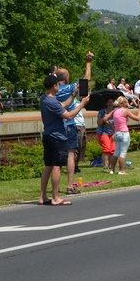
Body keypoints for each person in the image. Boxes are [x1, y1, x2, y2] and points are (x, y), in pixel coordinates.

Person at [40, 73, 91, 203]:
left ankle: (42, 197)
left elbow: (62, 106)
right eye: (58, 84)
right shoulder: (52, 101)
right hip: (57, 137)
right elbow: (68, 116)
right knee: (57, 166)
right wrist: (81, 105)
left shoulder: (44, 99)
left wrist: (73, 95)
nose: (60, 85)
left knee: (48, 166)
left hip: (48, 135)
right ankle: (55, 197)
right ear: (54, 86)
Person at [55, 67, 91, 194]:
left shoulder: (53, 91)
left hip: (56, 126)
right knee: (70, 154)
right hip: (69, 124)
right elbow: (86, 80)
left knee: (57, 157)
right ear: (66, 78)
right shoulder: (69, 88)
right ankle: (70, 185)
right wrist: (88, 63)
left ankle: (55, 187)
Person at [111, 94, 140, 175]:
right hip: (124, 133)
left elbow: (106, 118)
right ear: (122, 103)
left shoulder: (114, 111)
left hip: (117, 133)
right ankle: (121, 170)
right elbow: (137, 118)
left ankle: (112, 170)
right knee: (123, 153)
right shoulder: (125, 111)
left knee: (116, 153)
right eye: (126, 102)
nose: (127, 103)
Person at [95, 95, 117, 172]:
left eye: (112, 102)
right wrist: (103, 118)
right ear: (106, 103)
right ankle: (105, 165)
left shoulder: (116, 112)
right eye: (109, 102)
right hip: (103, 132)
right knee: (106, 149)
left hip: (113, 132)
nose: (110, 103)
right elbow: (98, 123)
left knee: (113, 150)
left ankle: (112, 165)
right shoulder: (102, 111)